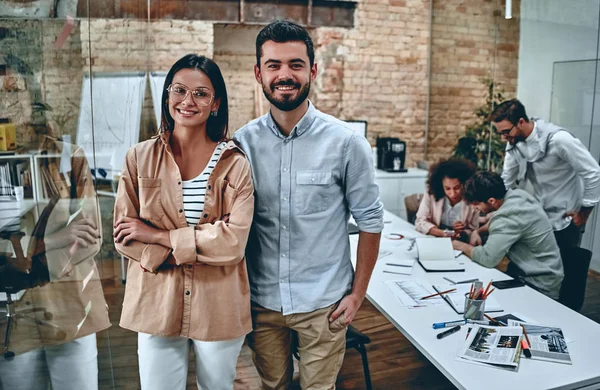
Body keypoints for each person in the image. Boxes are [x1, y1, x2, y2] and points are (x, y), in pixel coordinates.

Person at [233, 20, 383, 390]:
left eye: (295, 65)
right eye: (274, 65)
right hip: (262, 302)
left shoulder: (346, 144)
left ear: (312, 70)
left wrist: (358, 294)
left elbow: (370, 221)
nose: (285, 75)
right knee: (272, 387)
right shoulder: (241, 144)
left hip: (324, 304)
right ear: (258, 72)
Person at [113, 54, 254, 390]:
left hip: (218, 304)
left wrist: (157, 235)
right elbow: (124, 235)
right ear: (167, 95)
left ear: (216, 103)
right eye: (179, 90)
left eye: (201, 94)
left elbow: (233, 242)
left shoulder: (235, 164)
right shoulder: (138, 158)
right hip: (155, 302)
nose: (188, 101)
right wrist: (186, 247)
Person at [0, 131, 110, 390]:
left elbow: (90, 236)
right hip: (11, 314)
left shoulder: (68, 156)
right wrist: (52, 240)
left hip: (70, 304)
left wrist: (26, 258)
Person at [491, 99, 600, 255]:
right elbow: (507, 179)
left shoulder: (560, 139)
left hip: (563, 224)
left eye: (506, 131)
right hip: (535, 222)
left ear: (521, 122)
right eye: (500, 133)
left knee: (564, 274)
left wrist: (584, 213)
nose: (503, 138)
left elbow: (593, 172)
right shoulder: (514, 142)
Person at [452, 171, 564, 299]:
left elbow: (488, 259)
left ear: (491, 201)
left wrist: (460, 245)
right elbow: (497, 221)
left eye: (476, 204)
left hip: (538, 285)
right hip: (539, 275)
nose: (474, 209)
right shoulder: (517, 196)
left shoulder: (507, 217)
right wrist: (477, 231)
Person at [415, 157, 479, 243]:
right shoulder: (431, 194)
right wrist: (444, 233)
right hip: (434, 240)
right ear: (440, 186)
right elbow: (420, 221)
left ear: (465, 183)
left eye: (457, 188)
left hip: (459, 243)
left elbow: (474, 230)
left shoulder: (473, 199)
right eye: (447, 188)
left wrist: (462, 232)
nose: (453, 193)